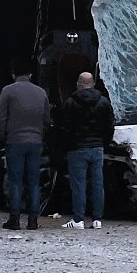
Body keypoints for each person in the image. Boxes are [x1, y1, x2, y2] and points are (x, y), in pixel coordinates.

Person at [0, 57, 50, 231]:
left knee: (15, 181)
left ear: (13, 74)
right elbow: (47, 119)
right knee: (34, 182)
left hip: (15, 141)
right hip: (35, 142)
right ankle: (33, 220)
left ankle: (15, 219)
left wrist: (2, 135)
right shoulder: (41, 93)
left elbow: (2, 118)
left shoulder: (7, 91)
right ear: (31, 74)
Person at [58, 72, 115, 230]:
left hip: (77, 148)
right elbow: (109, 126)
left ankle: (78, 219)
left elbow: (65, 127)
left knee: (78, 185)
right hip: (97, 147)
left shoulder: (70, 102)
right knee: (97, 184)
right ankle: (97, 219)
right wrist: (105, 142)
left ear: (78, 83)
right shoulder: (103, 102)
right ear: (93, 83)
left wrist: (67, 145)